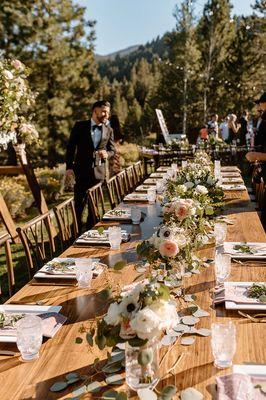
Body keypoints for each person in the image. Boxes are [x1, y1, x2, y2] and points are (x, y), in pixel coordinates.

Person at [65, 100, 116, 232]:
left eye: (108, 112)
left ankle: (90, 231)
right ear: (95, 111)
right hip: (81, 172)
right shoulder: (80, 126)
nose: (106, 115)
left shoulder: (109, 130)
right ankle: (74, 233)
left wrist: (107, 154)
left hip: (99, 173)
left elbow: (112, 150)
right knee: (79, 205)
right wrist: (69, 167)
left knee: (94, 206)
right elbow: (70, 148)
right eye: (104, 111)